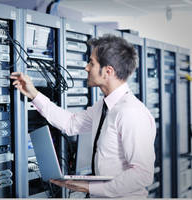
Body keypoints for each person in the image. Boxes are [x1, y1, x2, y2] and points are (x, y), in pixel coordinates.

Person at [10, 35, 156, 198]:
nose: (86, 68)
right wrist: (33, 94)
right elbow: (71, 123)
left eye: (92, 63)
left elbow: (142, 174)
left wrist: (89, 187)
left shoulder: (131, 112)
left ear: (108, 71)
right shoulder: (103, 106)